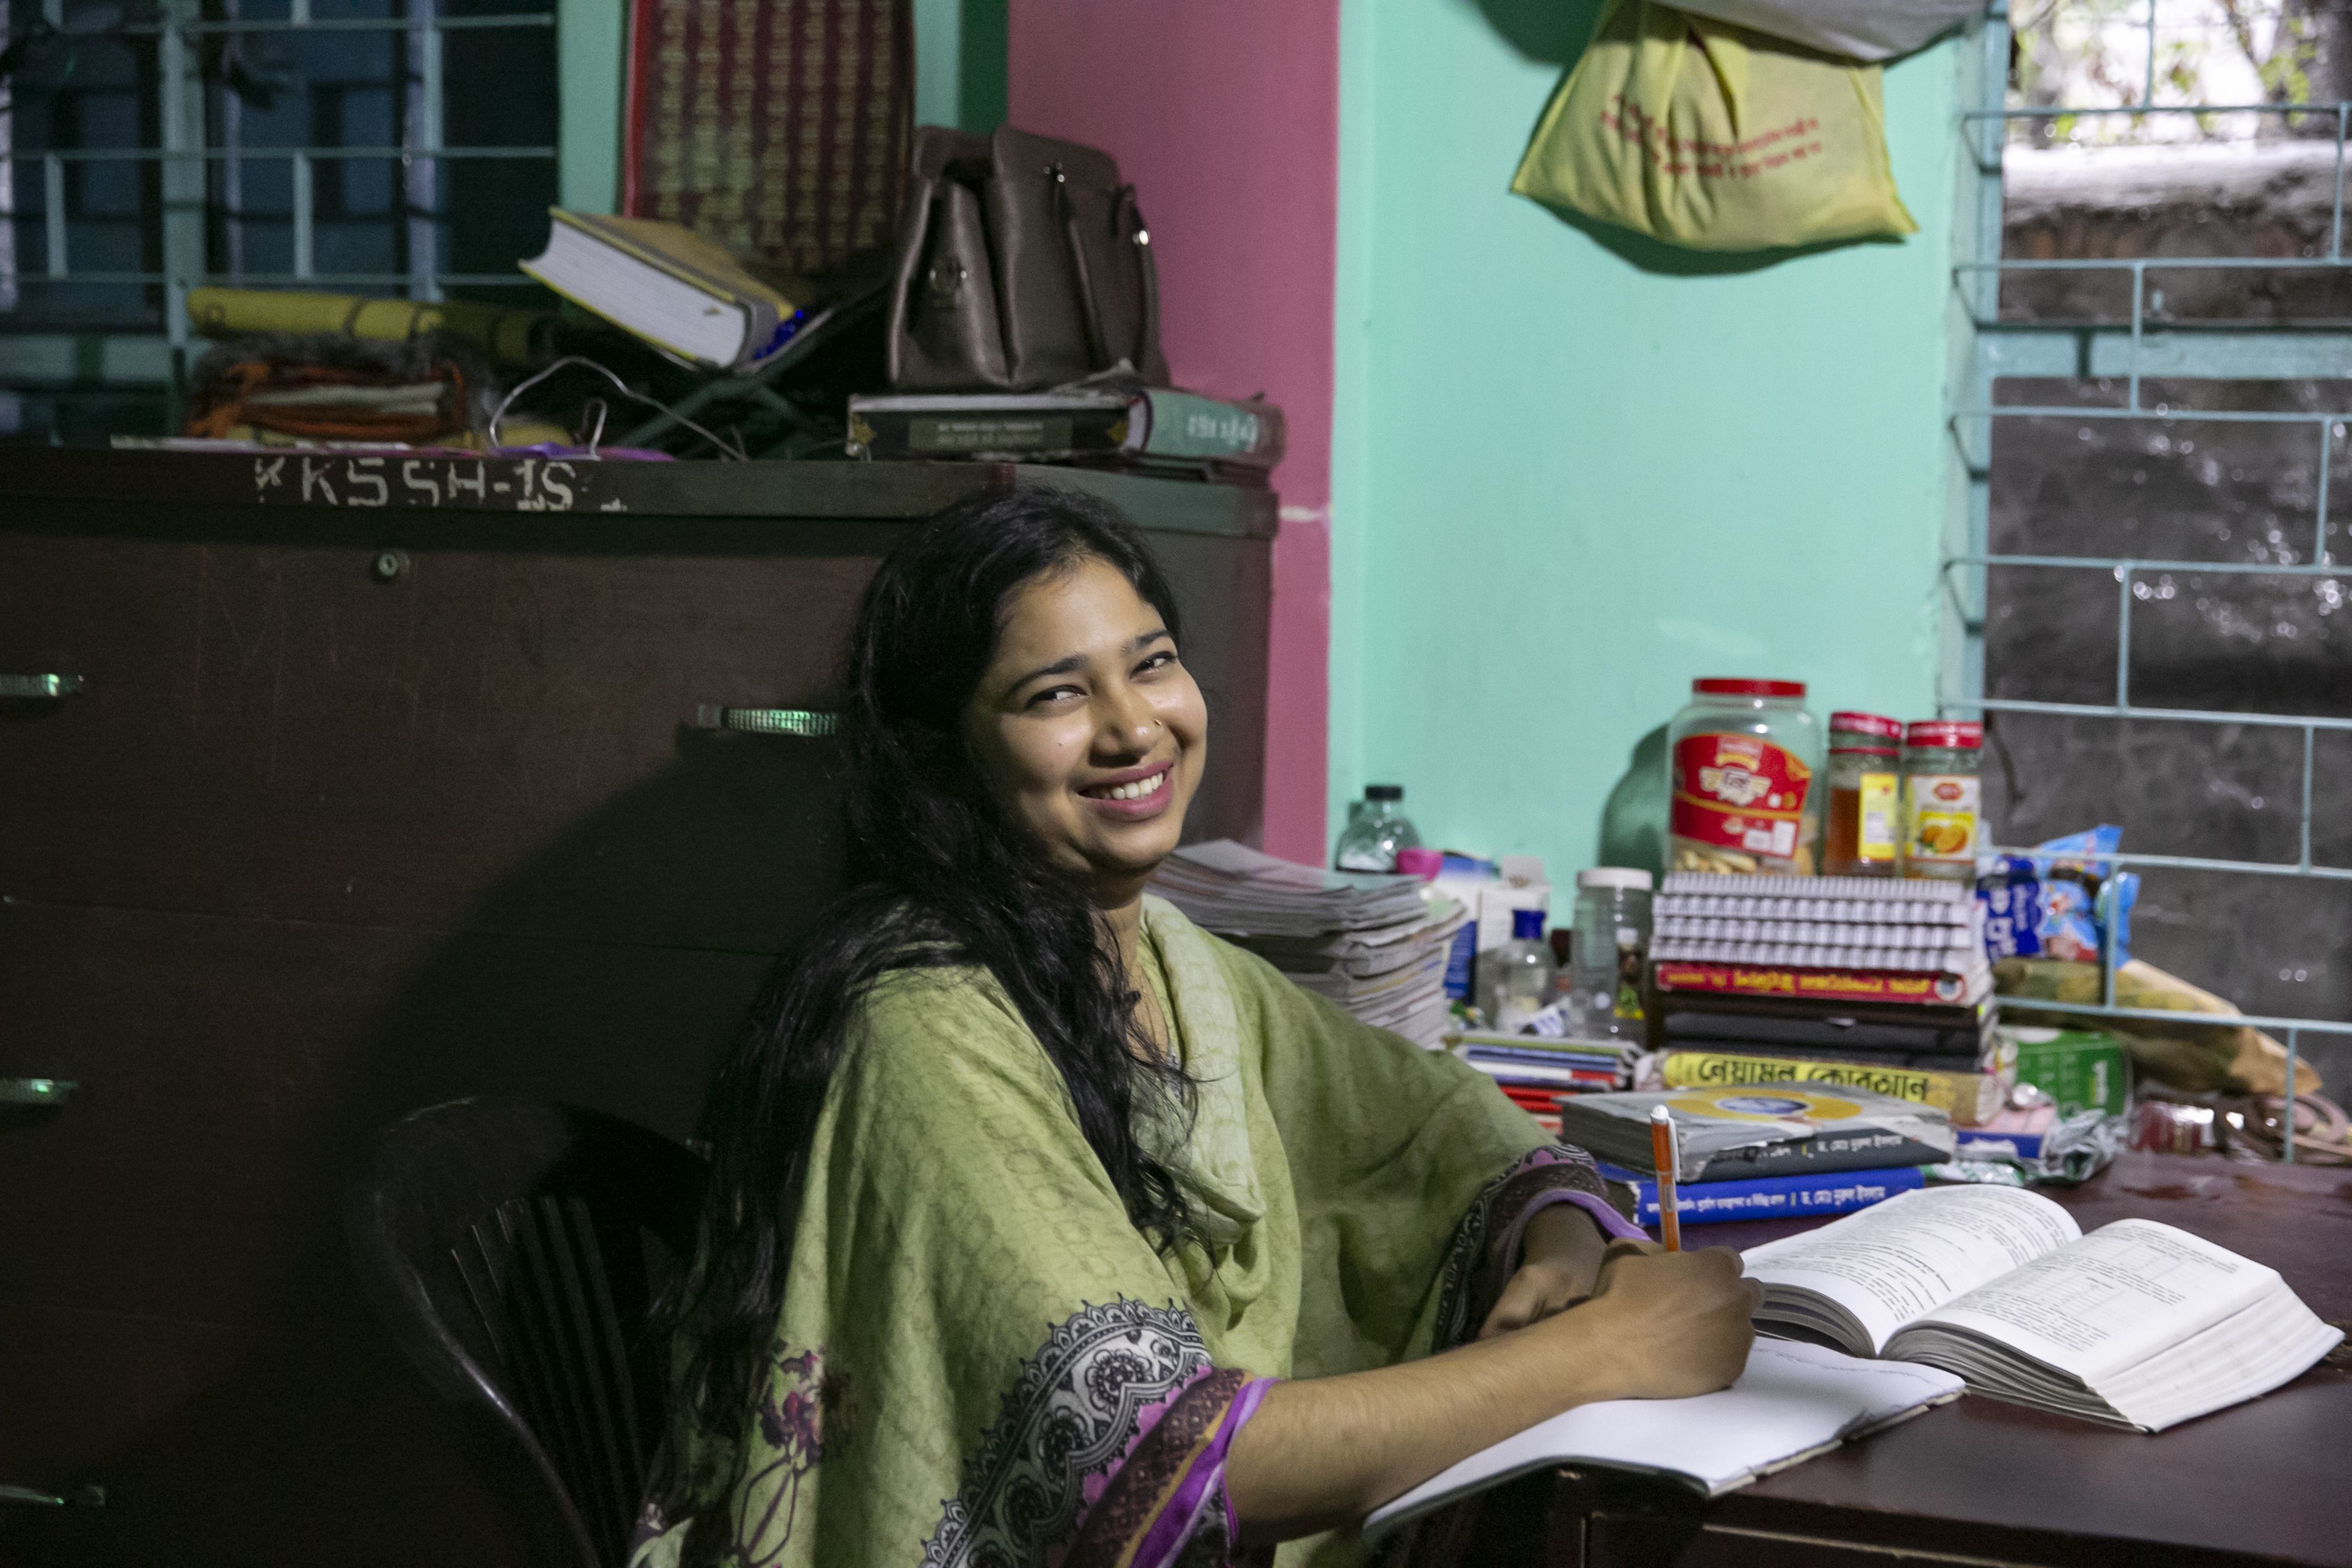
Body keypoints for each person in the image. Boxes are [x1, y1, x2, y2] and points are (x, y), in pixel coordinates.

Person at [633, 486, 1759, 1568]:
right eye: (1055, 695)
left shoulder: (1174, 964)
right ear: (942, 755)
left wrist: (1560, 1247)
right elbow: (1158, 1462)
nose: (1135, 728)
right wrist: (1603, 1351)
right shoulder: (927, 1027)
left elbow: (1450, 1137)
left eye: (1154, 662)